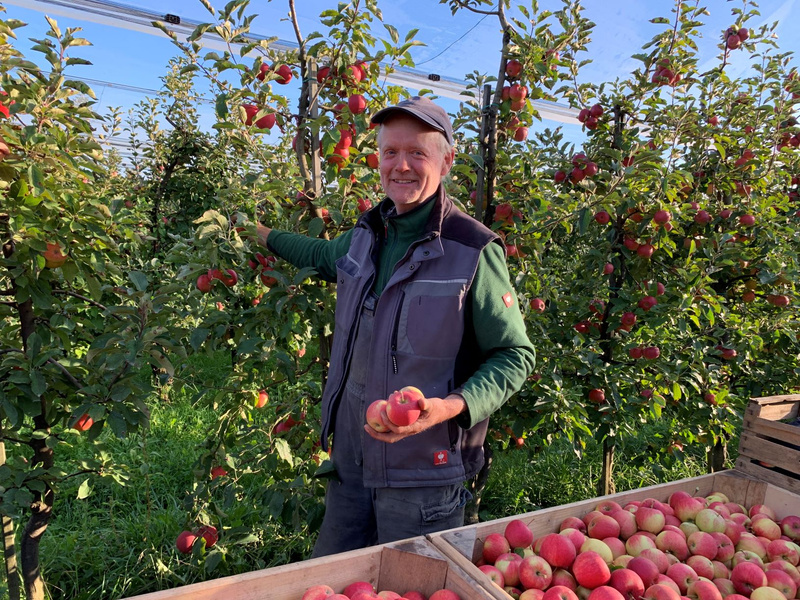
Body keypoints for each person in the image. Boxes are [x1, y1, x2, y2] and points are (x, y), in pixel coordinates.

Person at [255, 96, 535, 557]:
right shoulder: (366, 236)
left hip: (423, 474)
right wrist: (260, 235)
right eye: (390, 153)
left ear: (446, 162)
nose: (401, 166)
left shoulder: (473, 250)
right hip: (352, 463)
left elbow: (515, 355)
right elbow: (318, 255)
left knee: (417, 587)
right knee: (336, 580)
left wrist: (448, 407)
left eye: (418, 154)